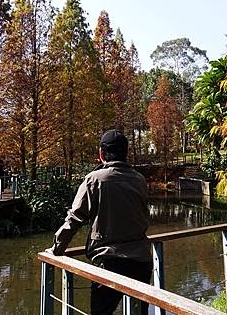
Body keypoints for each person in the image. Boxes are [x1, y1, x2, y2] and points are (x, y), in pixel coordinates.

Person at [48, 129, 152, 315]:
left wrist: (57, 248)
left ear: (101, 154)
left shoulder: (94, 180)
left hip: (109, 260)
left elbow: (75, 218)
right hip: (141, 260)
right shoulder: (139, 179)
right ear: (126, 152)